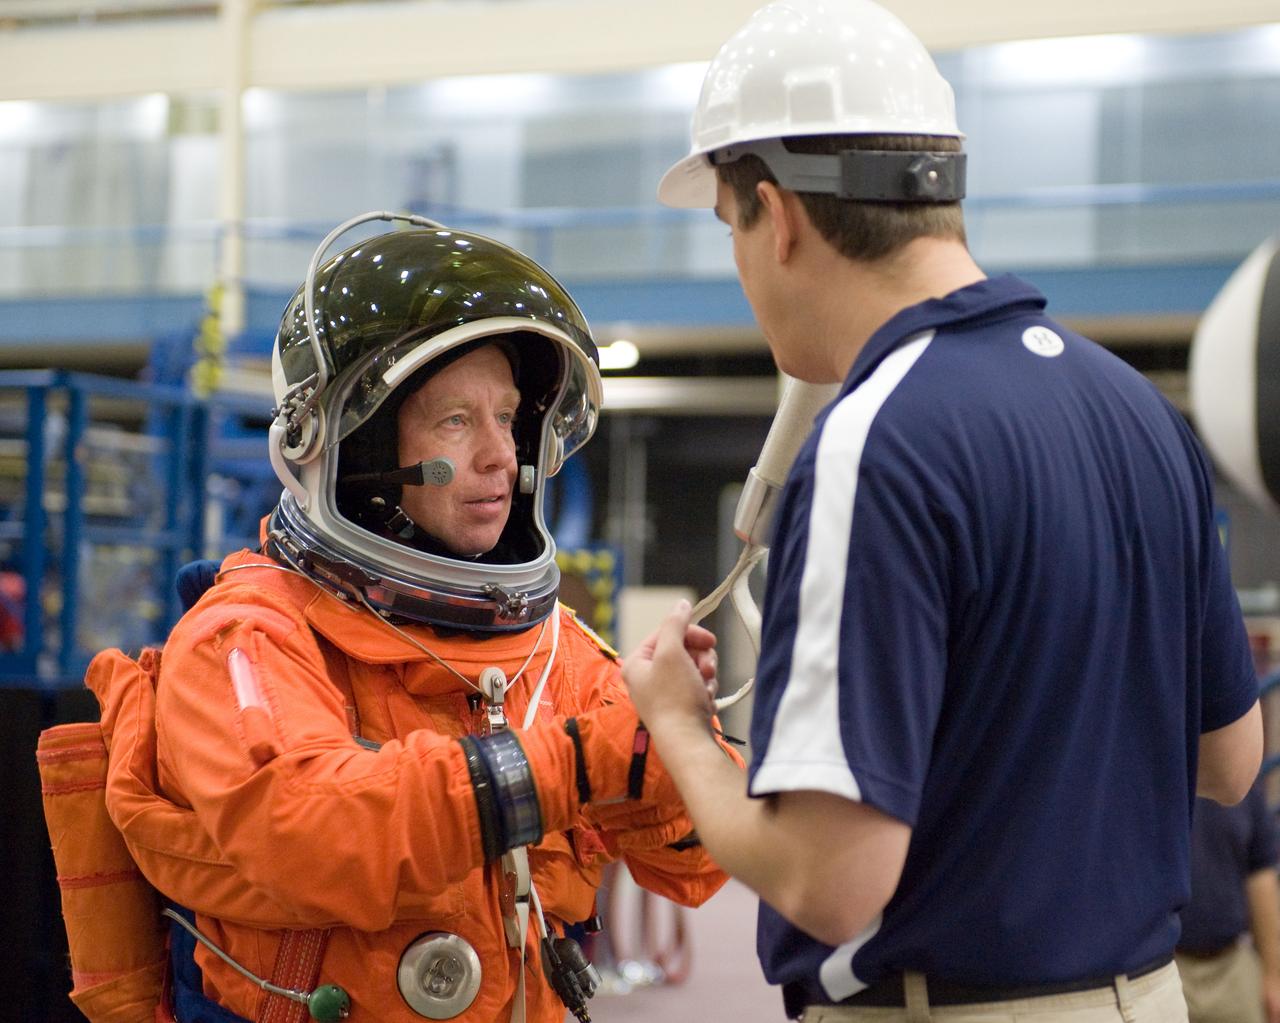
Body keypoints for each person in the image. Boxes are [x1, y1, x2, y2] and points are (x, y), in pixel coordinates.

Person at [622, 1, 1264, 1021]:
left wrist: (680, 730)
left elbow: (830, 884)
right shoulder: (1134, 410)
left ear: (776, 216)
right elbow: (1228, 762)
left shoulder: (876, 442)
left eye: (726, 225)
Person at [87, 217, 735, 1023]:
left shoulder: (553, 649)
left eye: (507, 418)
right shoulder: (247, 635)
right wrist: (576, 763)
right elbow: (311, 829)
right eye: (456, 421)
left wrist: (669, 740)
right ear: (354, 445)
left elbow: (700, 866)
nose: (501, 454)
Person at [1177, 781, 1280, 1023]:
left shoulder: (1246, 785)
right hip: (1167, 964)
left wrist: (1273, 975)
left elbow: (1261, 877)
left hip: (1233, 963)